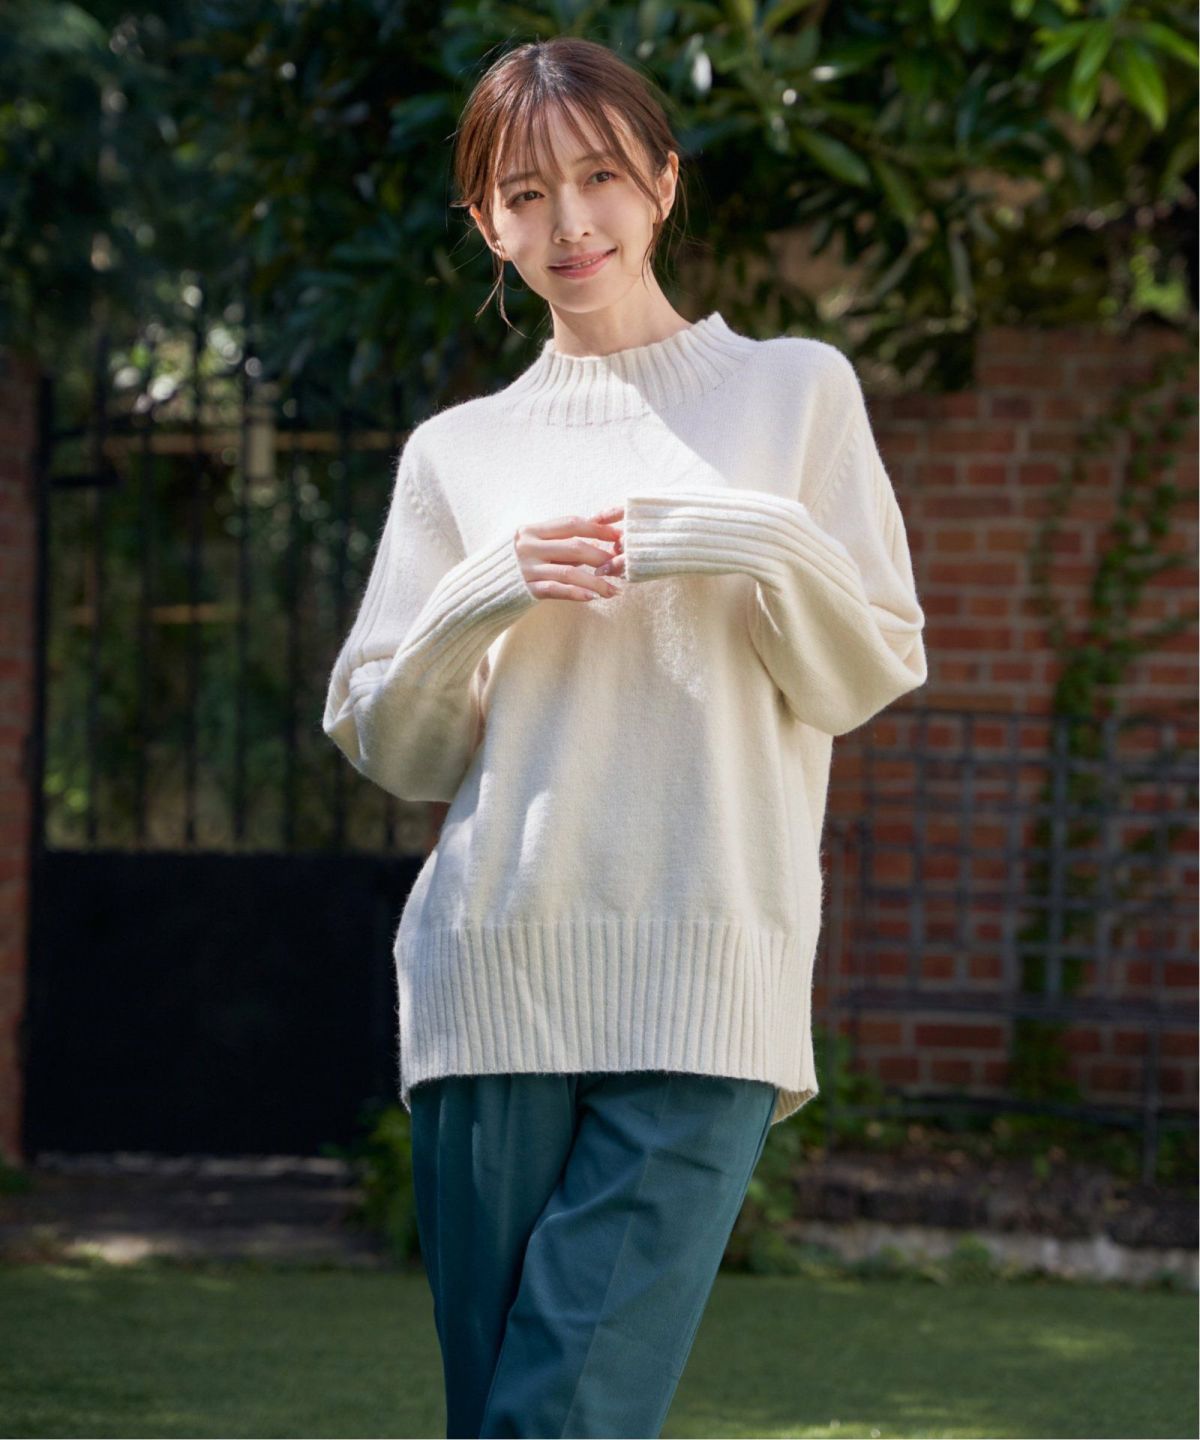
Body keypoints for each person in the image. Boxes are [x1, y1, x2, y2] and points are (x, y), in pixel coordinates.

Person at [322, 34, 928, 1440]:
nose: (570, 223)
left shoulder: (796, 391)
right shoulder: (457, 454)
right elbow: (396, 746)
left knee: (564, 1413)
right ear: (486, 223)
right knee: (505, 1414)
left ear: (662, 179)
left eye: (599, 177)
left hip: (713, 967)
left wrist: (754, 534)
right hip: (495, 969)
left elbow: (863, 671)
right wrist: (488, 589)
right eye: (525, 195)